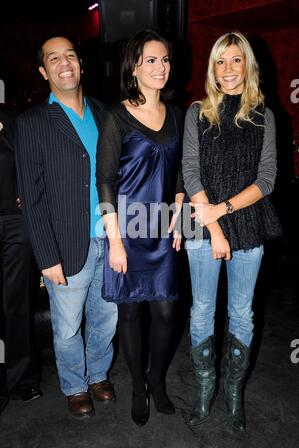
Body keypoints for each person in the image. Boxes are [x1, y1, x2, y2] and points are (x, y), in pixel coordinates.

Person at [182, 31, 282, 432]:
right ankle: (205, 389)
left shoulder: (264, 115)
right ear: (212, 68)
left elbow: (268, 179)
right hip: (204, 227)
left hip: (248, 223)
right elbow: (190, 171)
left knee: (241, 313)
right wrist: (215, 226)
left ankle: (234, 393)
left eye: (235, 60)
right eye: (220, 61)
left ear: (248, 66)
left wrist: (223, 212)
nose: (227, 70)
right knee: (202, 311)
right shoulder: (196, 112)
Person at [15, 37, 117, 419]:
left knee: (107, 317)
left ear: (81, 64)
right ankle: (75, 384)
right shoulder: (32, 123)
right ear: (44, 72)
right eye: (53, 58)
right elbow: (32, 196)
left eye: (70, 55)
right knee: (68, 325)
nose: (64, 63)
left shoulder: (106, 113)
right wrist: (46, 257)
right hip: (66, 243)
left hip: (110, 238)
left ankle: (98, 375)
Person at [97, 30, 184, 426]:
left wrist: (179, 218)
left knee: (166, 311)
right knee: (130, 314)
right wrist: (114, 241)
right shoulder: (116, 116)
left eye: (164, 59)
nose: (161, 67)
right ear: (135, 67)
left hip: (163, 229)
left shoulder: (177, 113)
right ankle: (137, 385)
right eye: (152, 60)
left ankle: (157, 380)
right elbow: (105, 181)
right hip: (127, 229)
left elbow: (181, 172)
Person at [0, 105, 41, 415]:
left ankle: (21, 378)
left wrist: (30, 191)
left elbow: (36, 161)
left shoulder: (13, 119)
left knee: (18, 301)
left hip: (16, 222)